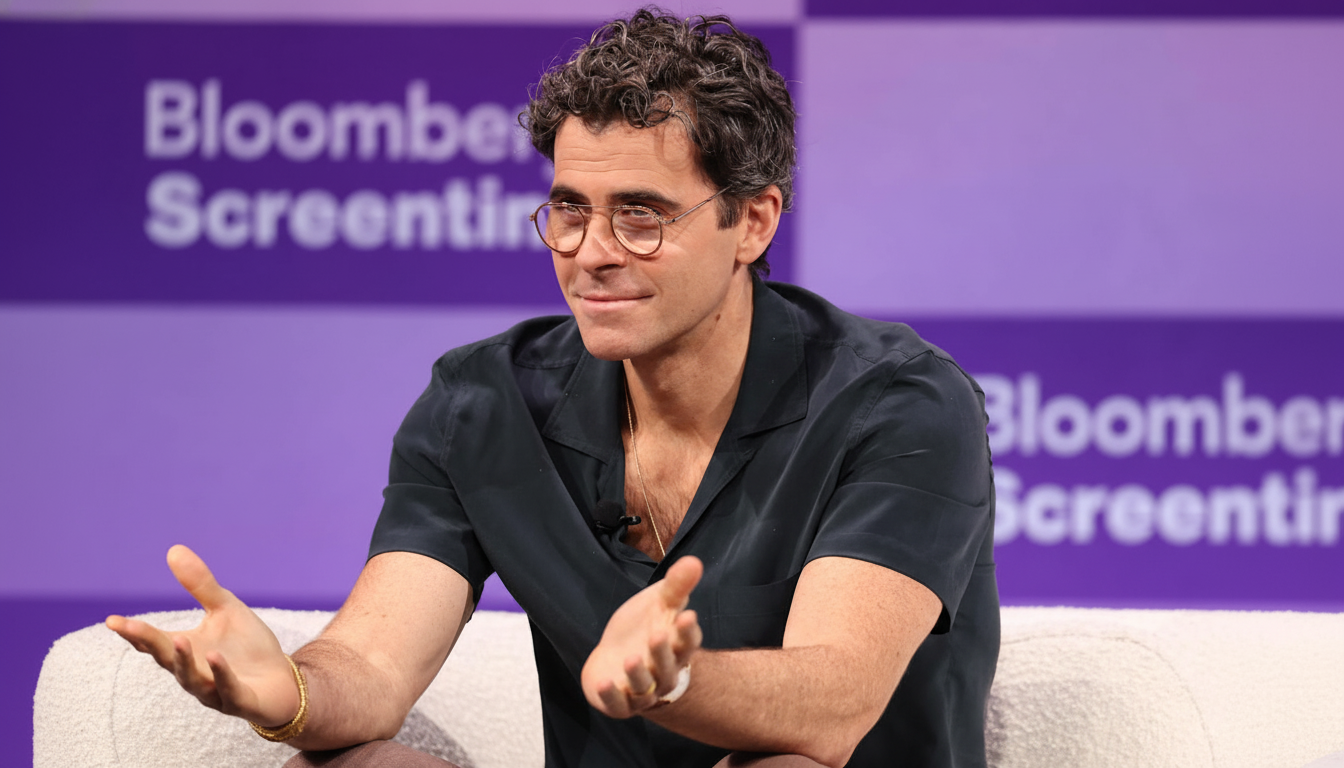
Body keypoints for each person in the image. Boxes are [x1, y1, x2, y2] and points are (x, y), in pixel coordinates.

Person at [107, 9, 998, 768]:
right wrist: (289, 692)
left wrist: (670, 682)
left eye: (640, 217)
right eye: (570, 210)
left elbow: (831, 702)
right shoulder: (482, 402)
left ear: (752, 222)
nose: (591, 253)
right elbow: (373, 669)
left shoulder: (902, 404)